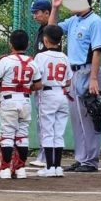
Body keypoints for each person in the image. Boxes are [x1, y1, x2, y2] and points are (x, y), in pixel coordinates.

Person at [49, 0, 101, 172]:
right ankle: (81, 159)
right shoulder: (74, 20)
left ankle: (91, 160)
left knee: (90, 116)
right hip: (73, 73)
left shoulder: (95, 21)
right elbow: (51, 31)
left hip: (88, 71)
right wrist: (55, 8)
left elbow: (97, 51)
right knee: (77, 119)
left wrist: (94, 78)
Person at [0, 30, 42, 179]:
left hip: (8, 99)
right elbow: (38, 85)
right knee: (22, 135)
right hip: (25, 100)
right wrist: (26, 87)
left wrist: (0, 89)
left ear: (10, 44)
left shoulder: (6, 60)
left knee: (7, 134)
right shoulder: (32, 61)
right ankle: (20, 169)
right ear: (28, 44)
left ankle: (5, 169)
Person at [33, 25, 72, 177]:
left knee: (47, 131)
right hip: (62, 94)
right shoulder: (64, 57)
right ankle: (57, 167)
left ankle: (49, 167)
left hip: (47, 94)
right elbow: (68, 81)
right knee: (59, 132)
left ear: (45, 40)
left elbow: (36, 78)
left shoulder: (40, 56)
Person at [30, 0, 55, 168]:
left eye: (37, 12)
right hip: (45, 83)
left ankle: (46, 156)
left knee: (46, 121)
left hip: (47, 83)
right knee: (44, 121)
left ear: (47, 12)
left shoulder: (51, 32)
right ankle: (45, 155)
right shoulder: (42, 30)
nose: (34, 16)